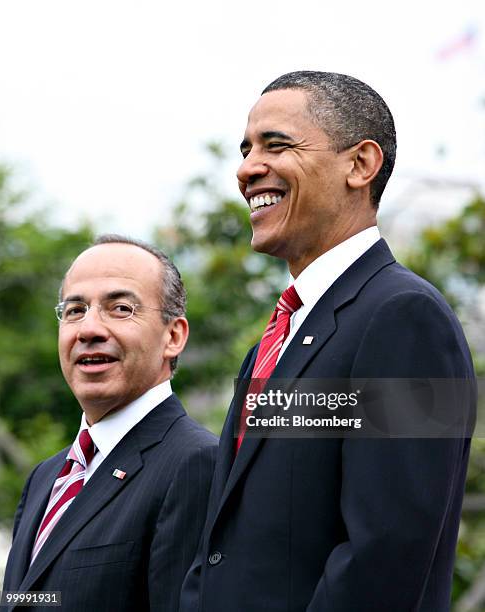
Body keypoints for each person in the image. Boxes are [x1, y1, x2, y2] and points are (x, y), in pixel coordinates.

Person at [180, 72, 476, 611]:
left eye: (277, 145)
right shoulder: (277, 339)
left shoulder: (405, 319)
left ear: (360, 165)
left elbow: (386, 555)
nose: (247, 169)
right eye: (246, 149)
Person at [3, 235, 217, 612]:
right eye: (74, 310)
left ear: (174, 336)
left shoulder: (195, 464)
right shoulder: (45, 477)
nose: (88, 330)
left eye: (120, 308)